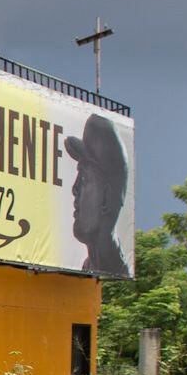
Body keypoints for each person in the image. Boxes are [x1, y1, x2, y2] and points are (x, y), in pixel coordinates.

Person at [65, 113, 131, 278]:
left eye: (85, 178)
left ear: (106, 199)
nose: (74, 189)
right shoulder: (91, 266)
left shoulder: (115, 274)